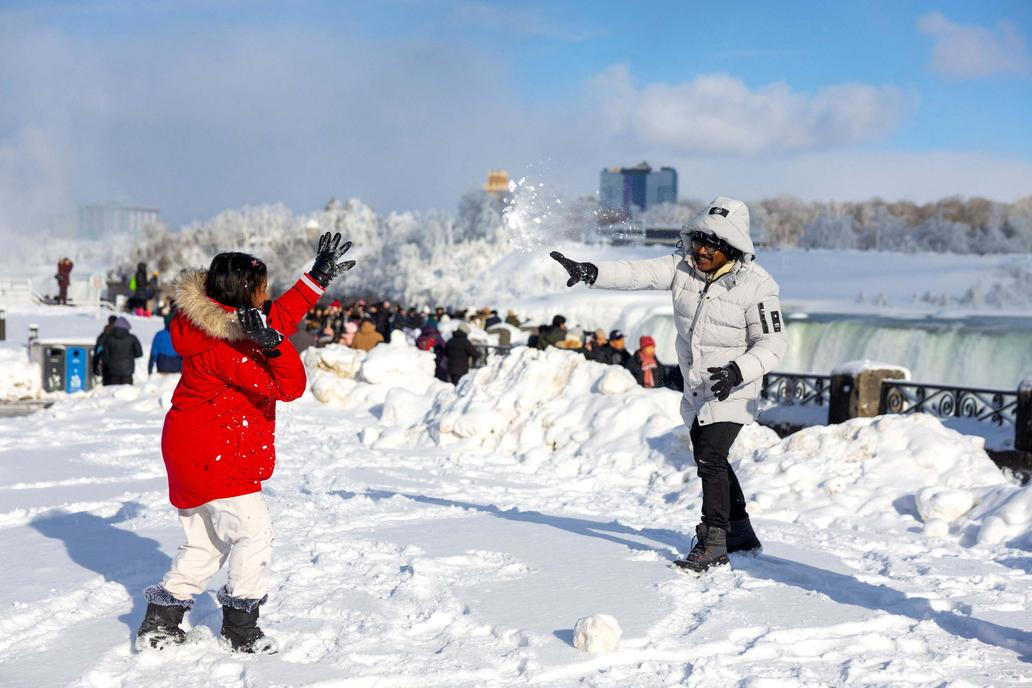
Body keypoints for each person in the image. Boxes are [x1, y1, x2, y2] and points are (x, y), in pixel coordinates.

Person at [136, 232, 355, 653]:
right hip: (213, 454)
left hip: (193, 450)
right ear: (244, 292)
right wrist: (275, 347)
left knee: (206, 542)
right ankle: (240, 628)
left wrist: (316, 278)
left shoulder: (215, 321)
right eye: (262, 287)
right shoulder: (223, 349)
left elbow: (277, 316)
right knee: (255, 534)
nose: (267, 294)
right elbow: (288, 386)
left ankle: (160, 622)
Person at [551, 196, 786, 573]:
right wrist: (591, 271)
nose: (701, 250)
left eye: (711, 245)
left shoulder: (758, 286)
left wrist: (736, 372)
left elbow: (773, 344)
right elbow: (637, 272)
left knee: (710, 457)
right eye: (699, 241)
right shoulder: (683, 267)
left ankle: (713, 542)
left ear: (731, 248)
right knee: (713, 459)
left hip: (734, 386)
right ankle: (740, 532)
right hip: (697, 387)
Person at [99, 317, 143, 385]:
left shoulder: (109, 338)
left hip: (113, 370)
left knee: (114, 389)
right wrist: (130, 356)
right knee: (126, 389)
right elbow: (139, 353)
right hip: (128, 370)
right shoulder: (132, 338)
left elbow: (105, 355)